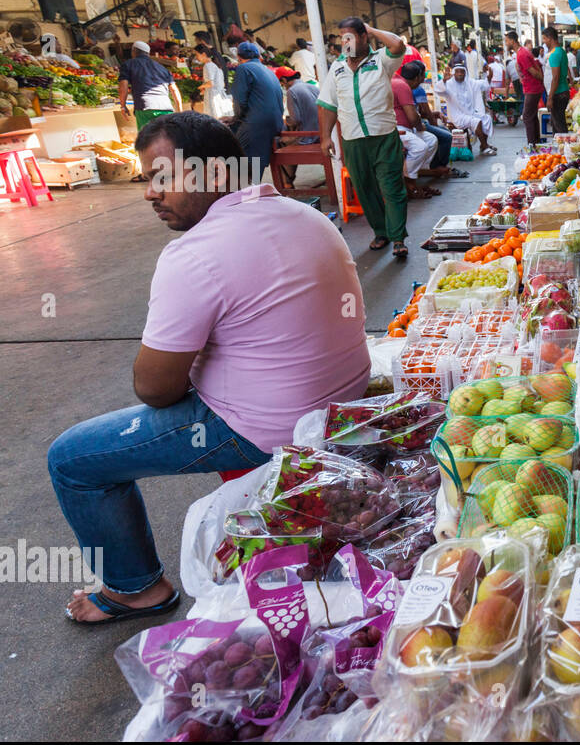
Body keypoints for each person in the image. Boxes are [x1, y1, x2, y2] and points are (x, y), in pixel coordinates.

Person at [51, 112, 370, 625]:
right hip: (341, 404)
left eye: (163, 177)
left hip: (262, 428)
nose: (151, 193)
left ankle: (137, 589)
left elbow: (155, 389)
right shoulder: (308, 215)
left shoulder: (194, 255)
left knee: (71, 459)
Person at [316, 17, 411, 260]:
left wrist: (369, 28)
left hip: (383, 136)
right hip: (353, 139)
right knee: (365, 189)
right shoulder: (336, 68)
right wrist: (325, 137)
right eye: (342, 37)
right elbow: (328, 104)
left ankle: (398, 237)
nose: (345, 42)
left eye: (350, 36)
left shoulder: (381, 60)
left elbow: (398, 45)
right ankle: (381, 232)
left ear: (363, 37)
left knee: (392, 187)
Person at [229, 42, 284, 186]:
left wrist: (235, 118)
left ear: (239, 57)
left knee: (236, 152)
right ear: (258, 56)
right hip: (275, 122)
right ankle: (250, 191)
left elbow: (240, 101)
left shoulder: (243, 69)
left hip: (257, 123)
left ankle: (243, 195)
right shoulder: (267, 70)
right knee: (253, 157)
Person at [391, 60, 439, 195]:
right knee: (420, 147)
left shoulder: (398, 82)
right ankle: (409, 182)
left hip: (405, 128)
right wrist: (420, 126)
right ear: (417, 77)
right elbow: (412, 117)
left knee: (431, 140)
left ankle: (416, 174)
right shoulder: (402, 86)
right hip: (397, 128)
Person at [118, 41, 182, 131]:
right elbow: (174, 90)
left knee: (147, 140)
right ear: (147, 53)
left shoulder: (128, 64)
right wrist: (180, 110)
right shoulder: (161, 68)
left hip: (145, 107)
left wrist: (123, 105)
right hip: (165, 107)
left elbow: (123, 87)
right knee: (167, 138)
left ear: (134, 51)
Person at [273, 66, 319, 188]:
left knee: (280, 143)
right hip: (321, 133)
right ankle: (288, 181)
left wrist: (286, 121)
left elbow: (295, 119)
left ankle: (287, 183)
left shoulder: (292, 91)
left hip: (310, 138)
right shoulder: (313, 87)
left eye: (281, 83)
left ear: (284, 80)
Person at [442, 63, 496, 157]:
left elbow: (483, 85)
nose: (459, 74)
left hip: (469, 113)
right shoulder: (449, 83)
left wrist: (489, 77)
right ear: (454, 73)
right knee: (477, 121)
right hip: (457, 115)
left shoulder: (470, 82)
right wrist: (443, 81)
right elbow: (439, 91)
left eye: (462, 71)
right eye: (457, 71)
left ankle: (483, 145)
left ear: (465, 73)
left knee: (486, 118)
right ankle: (485, 146)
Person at [506, 29, 543, 145]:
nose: (506, 43)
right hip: (533, 88)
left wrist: (543, 82)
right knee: (531, 116)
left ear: (512, 41)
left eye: (507, 41)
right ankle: (536, 143)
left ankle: (532, 145)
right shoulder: (522, 52)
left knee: (527, 116)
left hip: (532, 89)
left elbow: (534, 72)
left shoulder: (521, 54)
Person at [542, 26, 570, 134]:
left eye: (544, 39)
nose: (544, 42)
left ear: (550, 38)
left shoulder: (555, 54)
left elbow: (555, 77)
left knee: (559, 126)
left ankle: (564, 148)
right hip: (562, 92)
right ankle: (559, 147)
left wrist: (550, 98)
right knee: (557, 124)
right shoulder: (561, 51)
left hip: (558, 94)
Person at [195, 44, 232, 119]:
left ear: (203, 54)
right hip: (221, 96)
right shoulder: (216, 65)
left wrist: (200, 87)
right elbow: (222, 83)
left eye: (197, 54)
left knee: (214, 120)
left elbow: (210, 84)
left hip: (213, 97)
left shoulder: (207, 66)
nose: (196, 57)